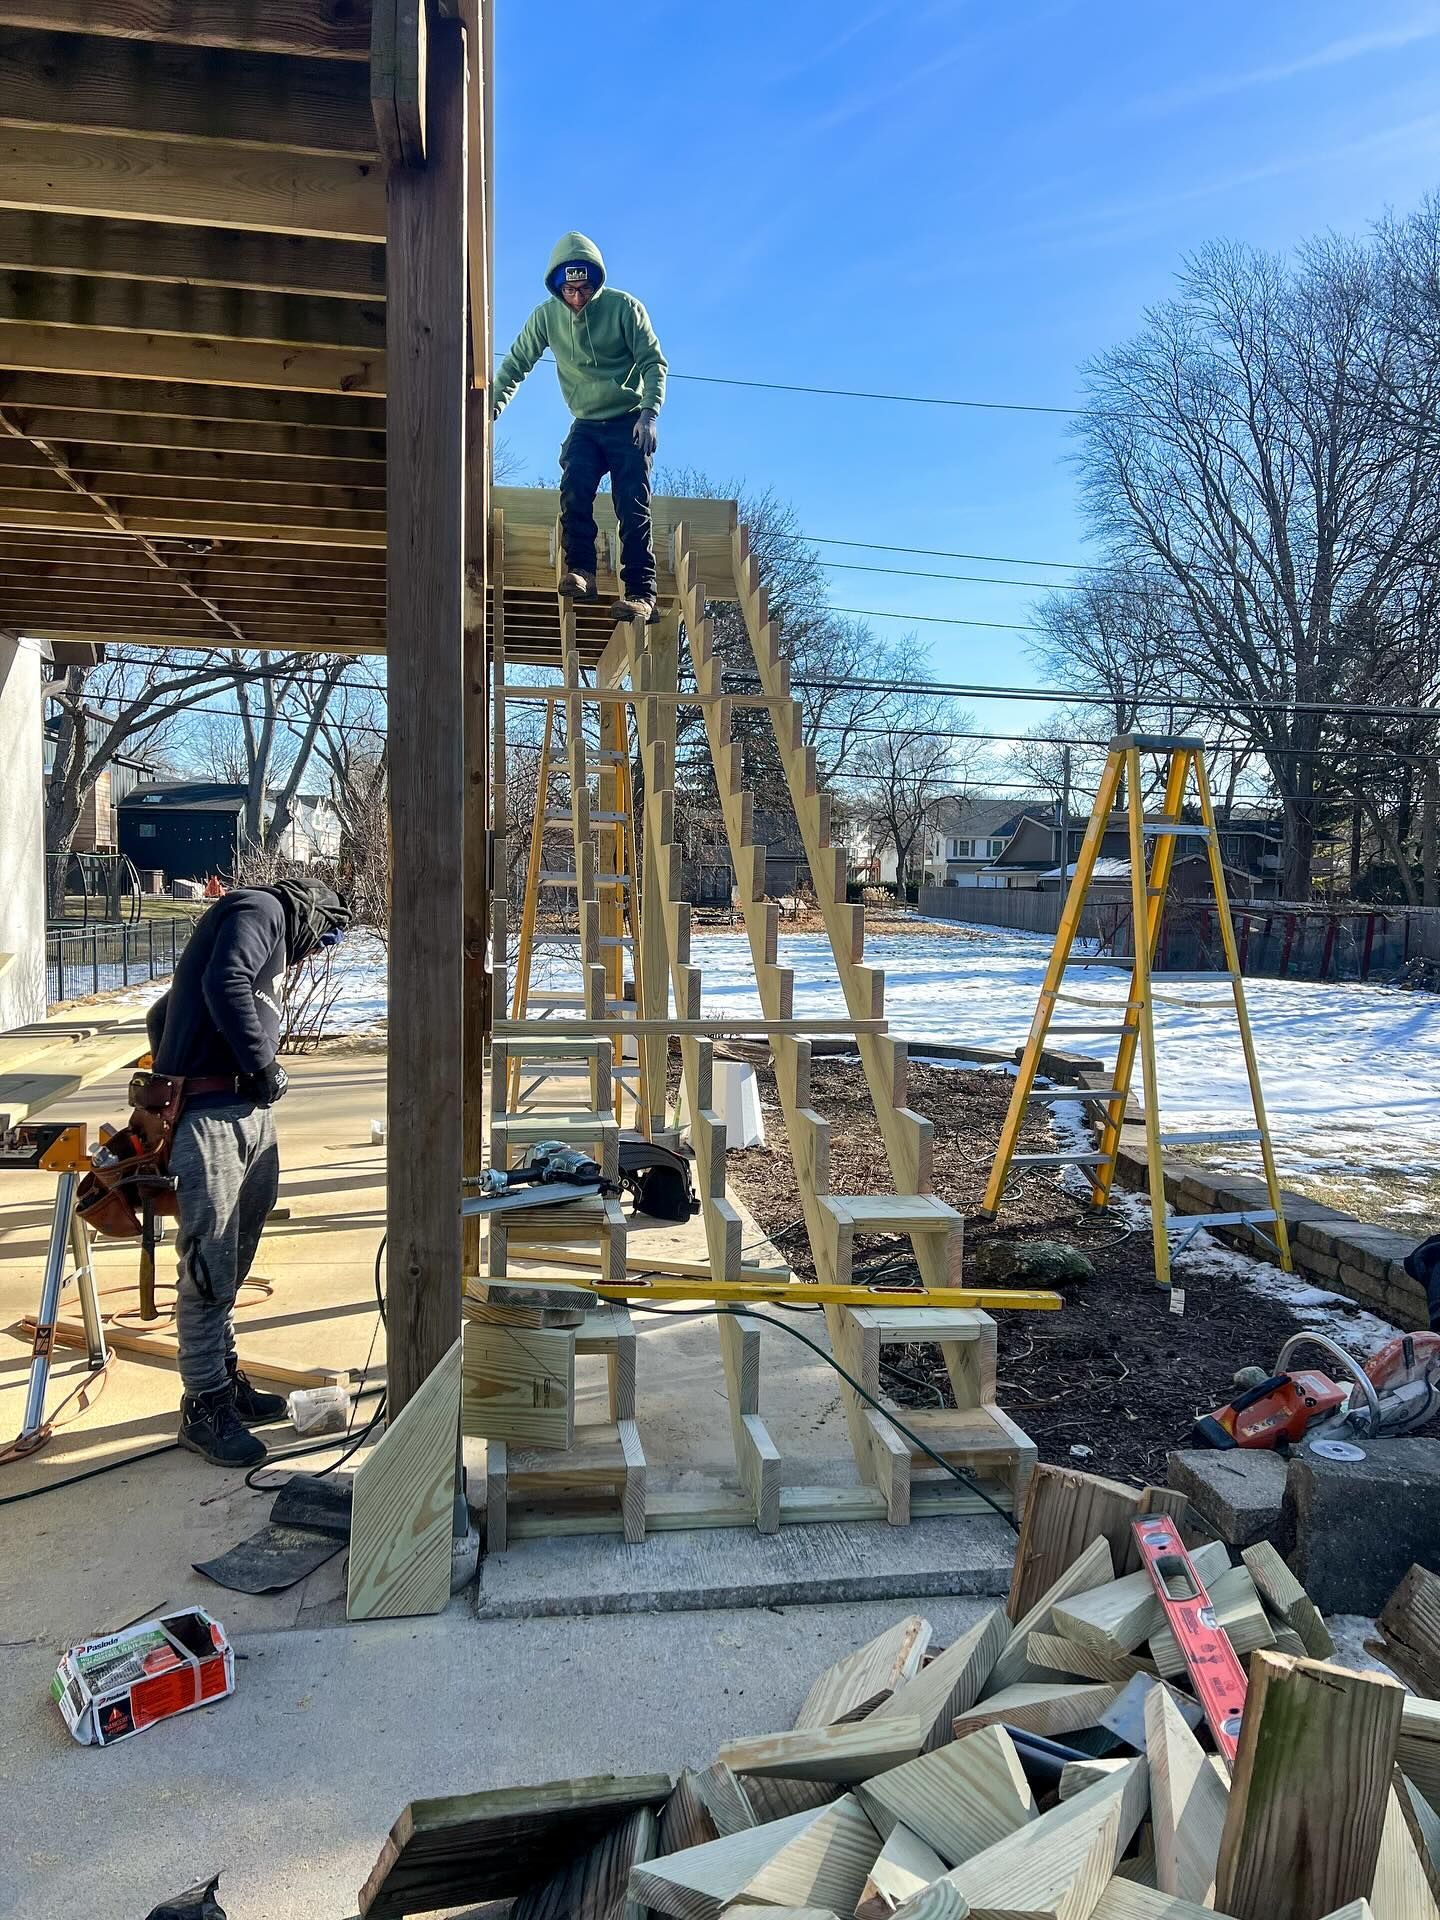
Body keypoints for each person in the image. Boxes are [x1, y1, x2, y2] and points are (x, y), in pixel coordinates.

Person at [145, 879, 351, 1467]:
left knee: (233, 1260)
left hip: (244, 1110)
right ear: (311, 914)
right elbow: (222, 982)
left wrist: (193, 1057)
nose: (314, 953)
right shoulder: (257, 909)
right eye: (321, 939)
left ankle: (223, 1378)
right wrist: (255, 1066)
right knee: (209, 1266)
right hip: (213, 1118)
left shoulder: (261, 924)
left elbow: (165, 1012)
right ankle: (203, 1403)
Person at [492, 230, 667, 624]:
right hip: (586, 423)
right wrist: (490, 406)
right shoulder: (546, 316)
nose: (577, 298)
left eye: (584, 289)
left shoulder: (624, 308)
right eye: (569, 290)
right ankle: (583, 573)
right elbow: (516, 363)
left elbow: (653, 362)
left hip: (627, 421)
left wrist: (649, 412)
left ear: (595, 283)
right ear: (558, 286)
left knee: (632, 505)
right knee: (574, 487)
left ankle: (642, 594)